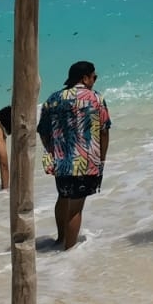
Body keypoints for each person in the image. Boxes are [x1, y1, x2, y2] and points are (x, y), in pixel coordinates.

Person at [37, 61, 111, 251]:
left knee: (63, 197)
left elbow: (43, 131)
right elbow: (104, 130)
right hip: (85, 161)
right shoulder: (95, 98)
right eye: (94, 77)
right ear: (85, 78)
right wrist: (101, 158)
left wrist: (54, 151)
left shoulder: (52, 99)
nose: (94, 81)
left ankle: (60, 239)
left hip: (61, 162)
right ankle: (68, 253)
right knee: (76, 207)